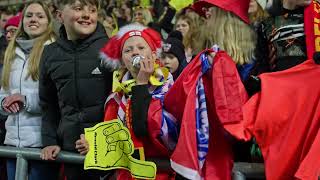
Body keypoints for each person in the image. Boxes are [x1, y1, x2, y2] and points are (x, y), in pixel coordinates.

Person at [80, 23, 179, 179]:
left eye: (141, 48)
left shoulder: (170, 90)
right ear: (122, 60)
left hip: (160, 175)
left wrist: (141, 84)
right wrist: (92, 145)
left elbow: (147, 131)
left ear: (153, 55)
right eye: (128, 50)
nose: (135, 53)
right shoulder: (115, 99)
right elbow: (112, 141)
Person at [39, 0, 113, 179]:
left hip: (107, 153)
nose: (87, 15)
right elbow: (48, 104)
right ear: (59, 16)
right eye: (79, 9)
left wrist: (98, 142)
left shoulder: (112, 49)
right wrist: (50, 141)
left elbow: (120, 105)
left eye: (93, 10)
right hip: (70, 151)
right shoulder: (50, 53)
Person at [0, 1, 57, 180]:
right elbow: (4, 90)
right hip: (12, 144)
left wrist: (26, 100)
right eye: (29, 15)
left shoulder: (54, 51)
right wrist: (4, 103)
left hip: (41, 144)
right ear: (23, 20)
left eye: (40, 16)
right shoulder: (12, 51)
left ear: (48, 22)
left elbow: (57, 98)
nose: (34, 19)